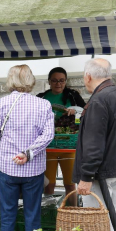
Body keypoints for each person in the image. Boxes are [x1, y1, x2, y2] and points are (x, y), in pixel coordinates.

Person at [0, 65, 54, 231]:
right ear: (31, 80)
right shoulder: (44, 105)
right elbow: (48, 135)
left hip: (7, 165)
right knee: (33, 212)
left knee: (7, 211)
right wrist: (28, 153)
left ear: (11, 80)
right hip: (33, 167)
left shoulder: (0, 104)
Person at [74, 58, 116, 231]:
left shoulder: (98, 101)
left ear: (88, 76)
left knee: (99, 226)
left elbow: (94, 145)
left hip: (100, 174)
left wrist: (86, 176)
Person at [37, 67, 86, 203]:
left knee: (70, 184)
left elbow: (85, 111)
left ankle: (73, 213)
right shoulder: (42, 97)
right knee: (49, 184)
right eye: (54, 80)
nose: (58, 84)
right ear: (49, 81)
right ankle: (50, 212)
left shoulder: (73, 96)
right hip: (48, 146)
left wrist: (74, 111)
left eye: (61, 80)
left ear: (65, 81)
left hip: (68, 146)